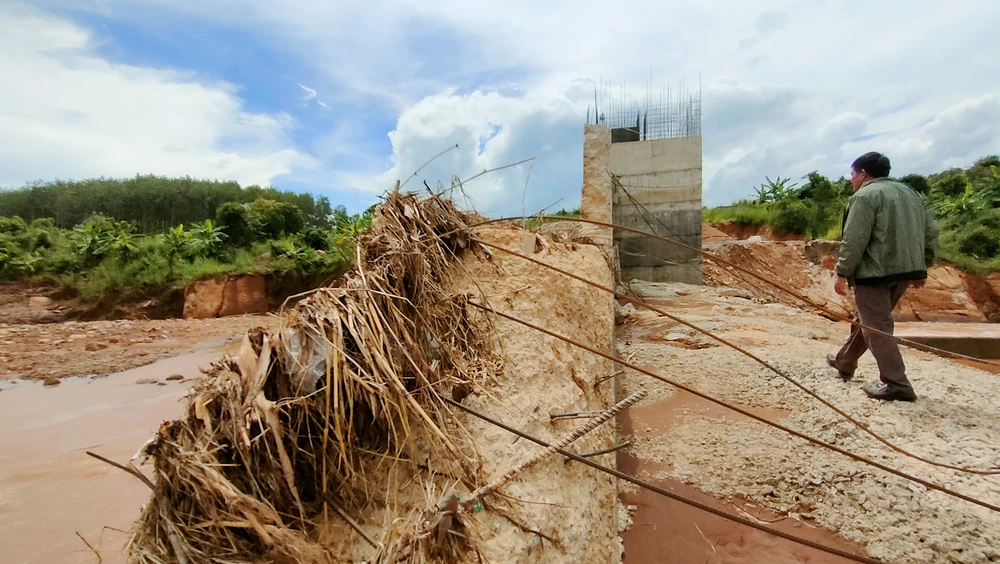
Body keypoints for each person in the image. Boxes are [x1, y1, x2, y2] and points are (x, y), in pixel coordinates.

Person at [827, 151, 939, 402]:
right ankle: (845, 361)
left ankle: (897, 384)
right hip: (905, 271)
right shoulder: (911, 194)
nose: (851, 180)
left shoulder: (865, 196)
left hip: (874, 273)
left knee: (876, 328)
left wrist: (842, 272)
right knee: (867, 320)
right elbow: (930, 233)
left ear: (863, 174)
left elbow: (854, 239)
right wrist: (923, 266)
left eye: (852, 174)